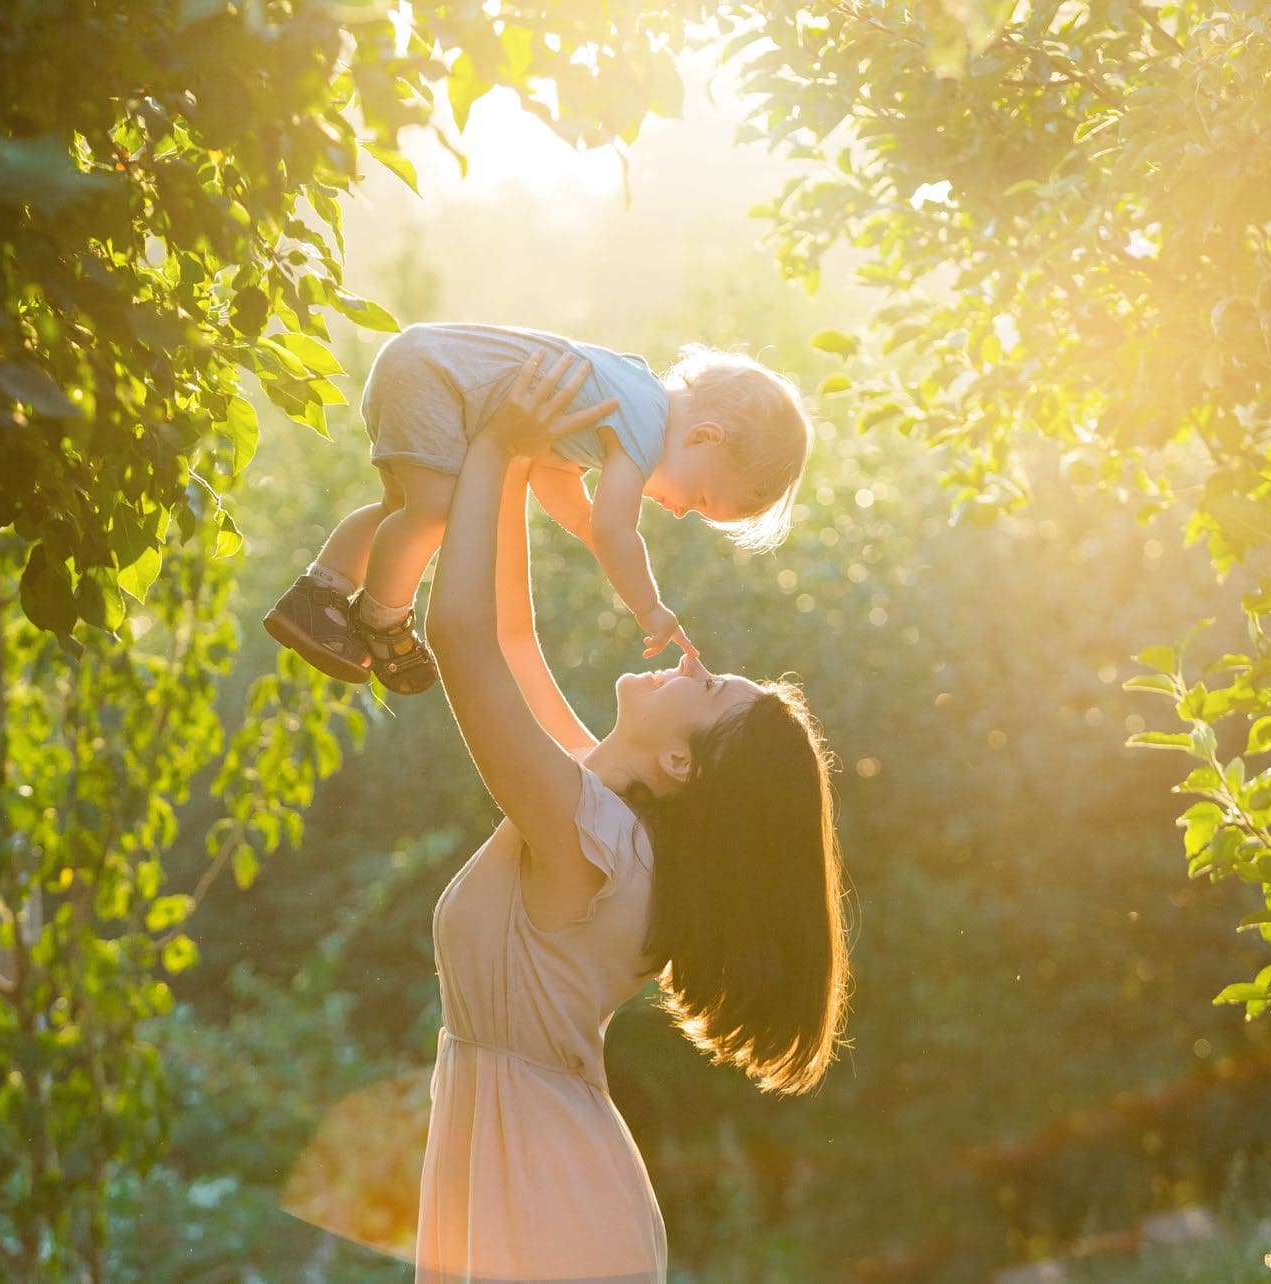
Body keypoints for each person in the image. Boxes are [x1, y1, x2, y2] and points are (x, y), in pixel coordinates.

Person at [412, 353, 851, 1282]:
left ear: (682, 763)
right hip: (544, 1184)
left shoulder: (588, 841)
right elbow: (511, 638)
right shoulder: (599, 810)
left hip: (553, 1207)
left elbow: (458, 635)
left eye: (709, 685)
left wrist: (490, 448)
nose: (691, 662)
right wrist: (523, 462)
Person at [263, 323, 811, 694]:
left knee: (401, 507)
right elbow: (617, 530)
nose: (682, 511)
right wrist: (650, 609)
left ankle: (319, 593)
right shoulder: (645, 428)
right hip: (436, 381)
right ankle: (381, 620)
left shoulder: (628, 398)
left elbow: (556, 474)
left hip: (422, 365)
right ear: (704, 437)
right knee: (437, 511)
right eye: (701, 499)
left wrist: (586, 524)